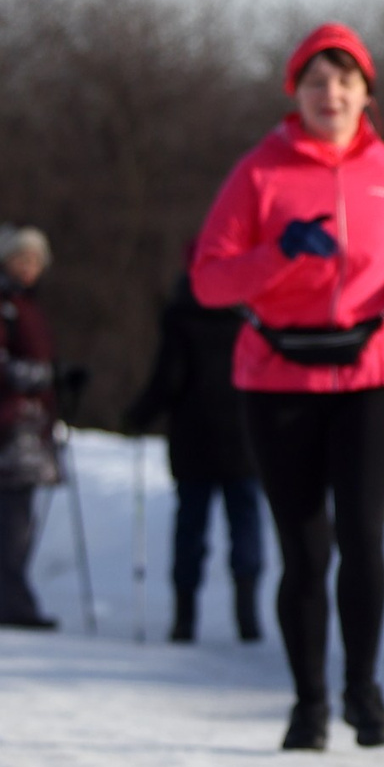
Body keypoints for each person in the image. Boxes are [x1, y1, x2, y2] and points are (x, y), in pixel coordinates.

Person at [191, 23, 384, 752]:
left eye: (344, 80)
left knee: (364, 537)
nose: (330, 93)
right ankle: (309, 704)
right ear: (295, 93)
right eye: (315, 81)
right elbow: (209, 281)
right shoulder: (260, 173)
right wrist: (280, 253)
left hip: (371, 368)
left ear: (366, 92)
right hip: (280, 374)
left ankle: (363, 694)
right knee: (305, 549)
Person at [126, 247, 266, 644]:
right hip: (244, 438)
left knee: (191, 527)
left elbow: (168, 379)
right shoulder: (251, 314)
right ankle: (247, 616)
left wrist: (138, 416)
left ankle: (185, 617)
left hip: (194, 439)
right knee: (245, 524)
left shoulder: (182, 316)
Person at [0, 224, 64, 630]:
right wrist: (43, 377)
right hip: (8, 421)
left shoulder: (22, 302)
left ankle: (4, 601)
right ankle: (12, 603)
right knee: (15, 514)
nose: (29, 266)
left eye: (36, 259)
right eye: (21, 258)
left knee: (15, 512)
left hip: (28, 420)